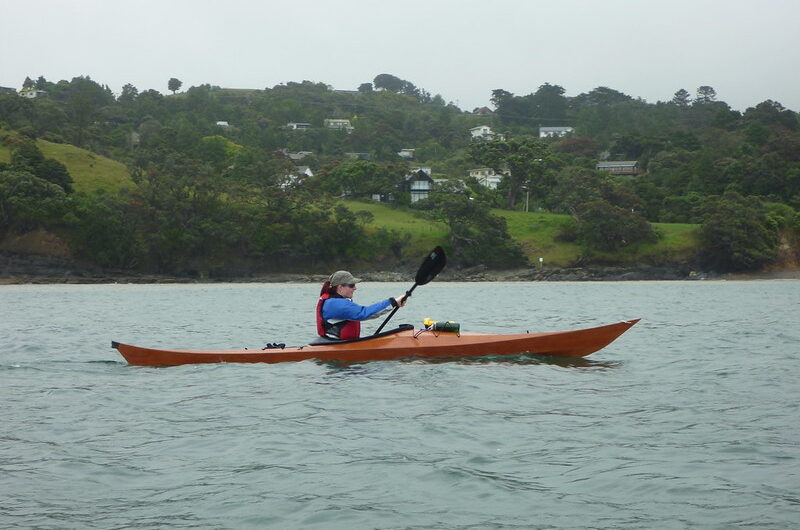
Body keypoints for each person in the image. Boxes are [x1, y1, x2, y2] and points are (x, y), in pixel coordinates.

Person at [316, 270, 406, 340]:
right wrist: (393, 302)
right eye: (351, 285)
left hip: (340, 343)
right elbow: (363, 313)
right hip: (336, 346)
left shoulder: (334, 301)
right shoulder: (335, 304)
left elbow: (369, 314)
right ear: (340, 287)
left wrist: (394, 304)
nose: (355, 288)